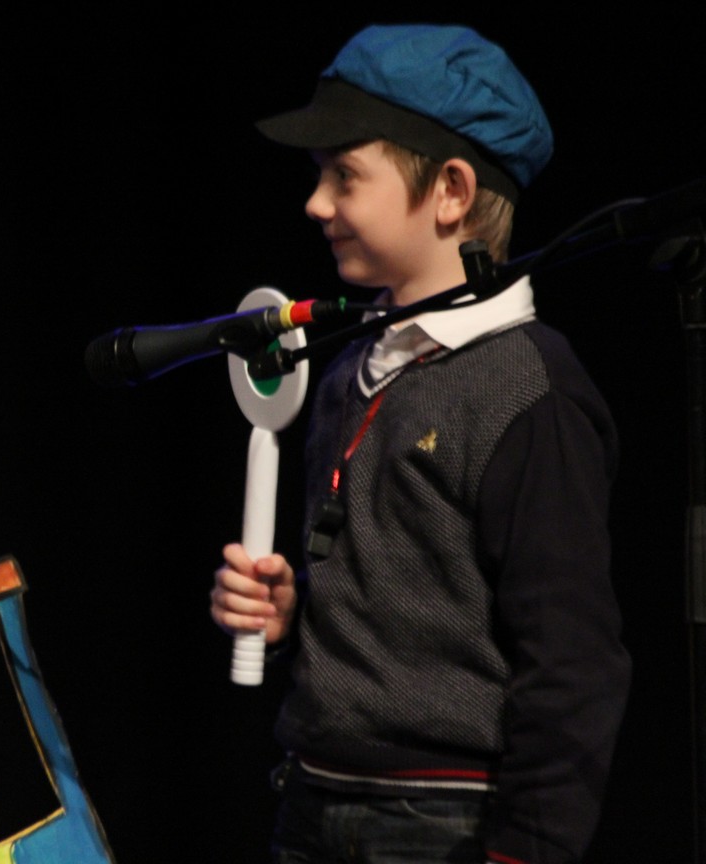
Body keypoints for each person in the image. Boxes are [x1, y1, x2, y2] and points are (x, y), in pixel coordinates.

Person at [209, 25, 630, 864]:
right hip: (313, 794)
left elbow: (571, 661)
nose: (316, 203)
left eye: (344, 176)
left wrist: (525, 850)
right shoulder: (352, 368)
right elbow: (407, 594)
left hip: (443, 821)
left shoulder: (526, 390)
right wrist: (295, 614)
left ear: (450, 191)